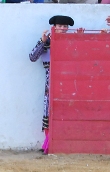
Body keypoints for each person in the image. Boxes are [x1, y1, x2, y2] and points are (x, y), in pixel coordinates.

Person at [29, 15, 75, 154]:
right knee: (49, 110)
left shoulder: (71, 41)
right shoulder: (46, 41)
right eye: (60, 26)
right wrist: (43, 41)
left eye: (65, 26)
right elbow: (32, 57)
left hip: (68, 80)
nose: (62, 29)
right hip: (51, 80)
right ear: (53, 28)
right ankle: (48, 143)